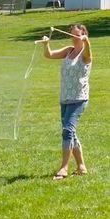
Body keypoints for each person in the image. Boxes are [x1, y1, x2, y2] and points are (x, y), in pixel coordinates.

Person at [41, 24, 92, 180]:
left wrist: (87, 41)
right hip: (65, 97)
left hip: (79, 98)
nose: (74, 37)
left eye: (77, 34)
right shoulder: (68, 50)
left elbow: (88, 52)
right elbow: (49, 55)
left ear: (83, 35)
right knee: (71, 132)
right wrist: (46, 44)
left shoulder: (86, 53)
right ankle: (82, 167)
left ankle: (64, 168)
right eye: (72, 34)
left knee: (67, 131)